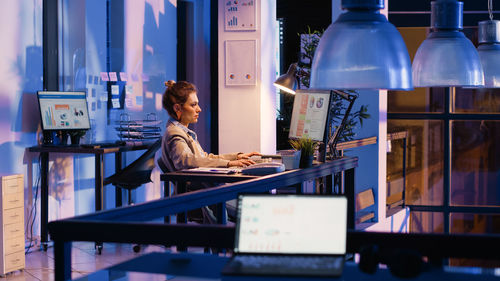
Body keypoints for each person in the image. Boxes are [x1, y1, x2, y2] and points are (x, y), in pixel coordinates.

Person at [160, 80, 260, 222]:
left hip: (205, 192)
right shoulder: (175, 134)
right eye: (193, 105)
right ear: (178, 108)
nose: (199, 109)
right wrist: (228, 164)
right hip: (200, 197)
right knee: (253, 212)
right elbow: (186, 161)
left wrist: (235, 157)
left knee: (251, 209)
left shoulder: (183, 131)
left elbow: (204, 157)